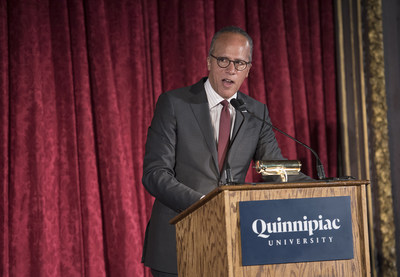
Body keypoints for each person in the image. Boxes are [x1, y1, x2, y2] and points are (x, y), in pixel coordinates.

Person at [141, 26, 312, 276]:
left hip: (233, 246)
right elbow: (155, 174)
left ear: (248, 69)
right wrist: (204, 204)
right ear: (209, 61)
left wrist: (325, 190)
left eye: (240, 63)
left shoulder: (255, 112)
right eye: (223, 60)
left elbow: (277, 170)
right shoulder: (174, 104)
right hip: (178, 243)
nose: (231, 69)